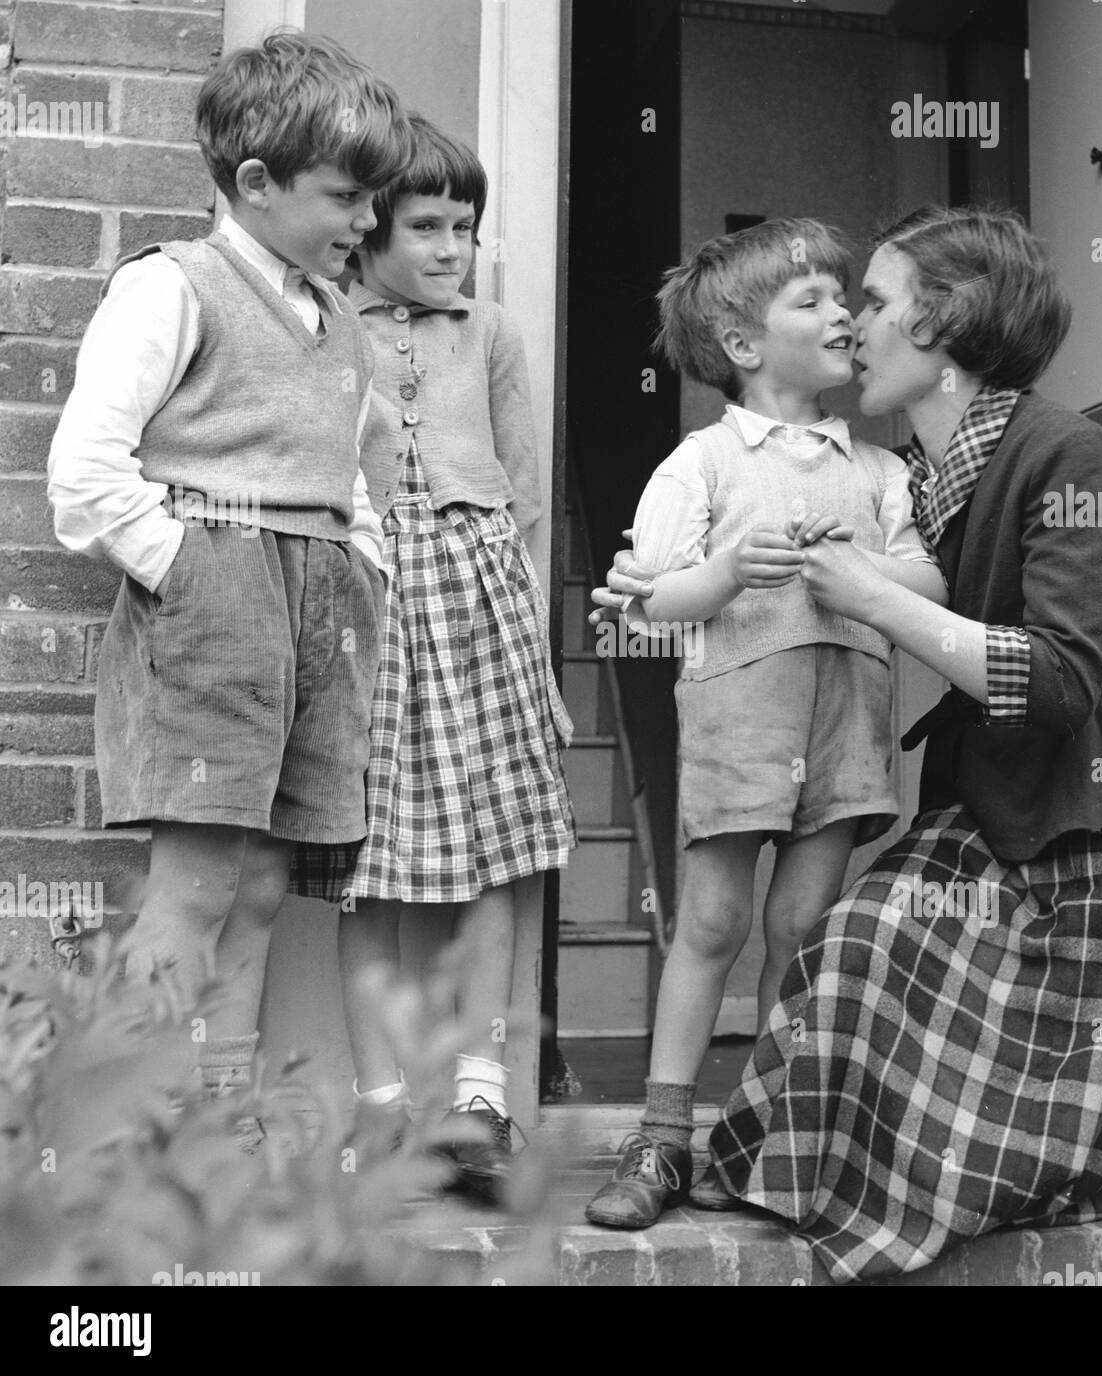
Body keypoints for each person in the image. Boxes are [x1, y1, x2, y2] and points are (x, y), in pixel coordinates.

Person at [592, 205, 1102, 1281]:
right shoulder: (915, 476)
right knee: (852, 957)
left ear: (945, 322)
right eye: (836, 302)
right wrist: (651, 591)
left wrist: (866, 592)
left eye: (870, 301)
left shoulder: (1071, 451)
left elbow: (1060, 679)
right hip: (995, 818)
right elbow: (700, 582)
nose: (851, 324)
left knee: (965, 1142)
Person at [46, 32, 411, 1110]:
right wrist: (197, 572)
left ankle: (214, 1118)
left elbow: (357, 472)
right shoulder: (174, 287)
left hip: (320, 611)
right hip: (215, 604)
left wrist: (364, 571)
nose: (364, 224)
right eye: (346, 196)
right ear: (255, 182)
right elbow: (85, 475)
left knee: (260, 884)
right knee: (197, 883)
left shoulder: (335, 313)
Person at [584, 218, 946, 1229]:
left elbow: (931, 578)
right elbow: (645, 601)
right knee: (711, 919)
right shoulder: (700, 462)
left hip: (843, 719)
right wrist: (730, 570)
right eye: (813, 300)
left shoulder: (880, 470)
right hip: (742, 713)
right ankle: (662, 1136)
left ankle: (777, 1136)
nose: (843, 313)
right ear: (745, 346)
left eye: (843, 296)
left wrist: (859, 566)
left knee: (801, 924)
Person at [328, 115, 574, 1200]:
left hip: (481, 607)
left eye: (463, 227)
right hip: (375, 602)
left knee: (494, 856)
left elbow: (522, 498)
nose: (448, 249)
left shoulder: (494, 334)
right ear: (368, 227)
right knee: (366, 865)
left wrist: (541, 663)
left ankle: (480, 1099)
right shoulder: (325, 325)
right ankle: (382, 1110)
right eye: (424, 226)